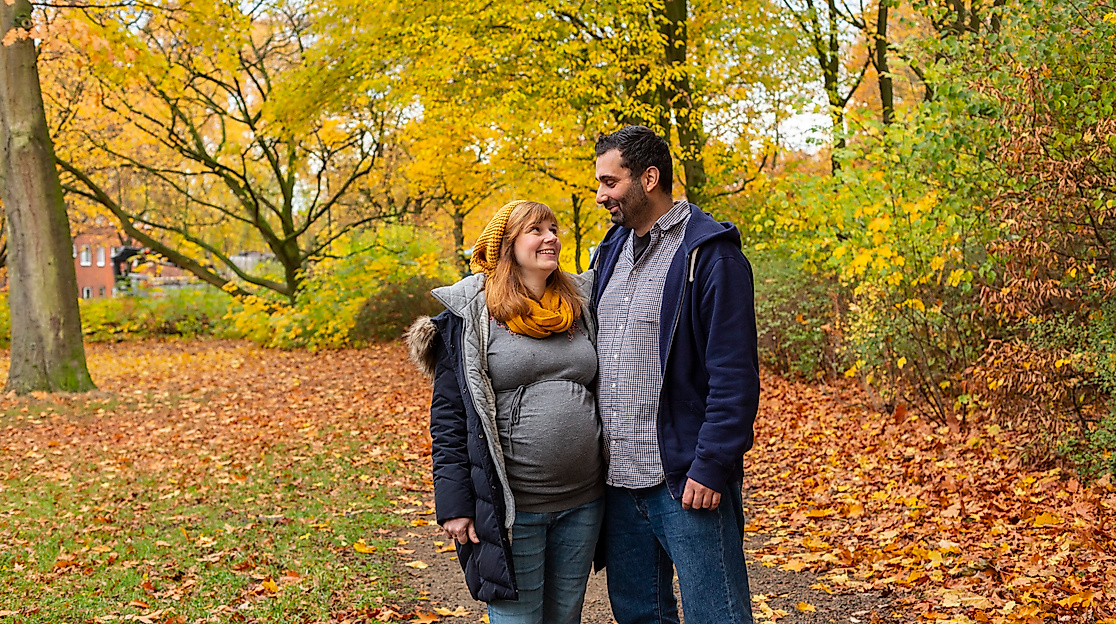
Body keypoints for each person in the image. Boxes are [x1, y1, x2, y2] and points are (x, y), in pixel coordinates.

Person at [590, 125, 760, 624]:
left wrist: (710, 465)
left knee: (718, 616)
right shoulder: (611, 251)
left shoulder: (711, 254)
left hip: (684, 480)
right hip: (619, 484)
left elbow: (735, 375)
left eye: (610, 182)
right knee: (641, 616)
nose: (601, 196)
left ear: (649, 177)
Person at [406, 200, 604, 624]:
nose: (550, 237)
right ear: (506, 244)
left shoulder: (579, 302)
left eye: (553, 228)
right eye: (536, 230)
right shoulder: (473, 314)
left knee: (565, 617)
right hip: (514, 507)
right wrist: (454, 504)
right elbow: (448, 416)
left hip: (584, 501)